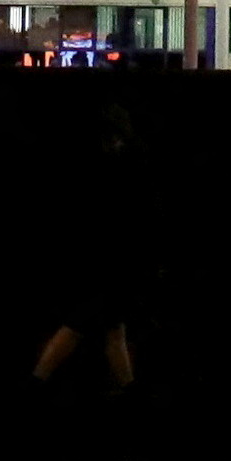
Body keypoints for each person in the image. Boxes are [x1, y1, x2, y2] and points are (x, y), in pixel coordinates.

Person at [31, 91, 151, 394]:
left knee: (100, 325)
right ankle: (127, 389)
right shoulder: (127, 164)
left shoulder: (93, 164)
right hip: (111, 259)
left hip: (95, 257)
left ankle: (37, 381)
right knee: (96, 325)